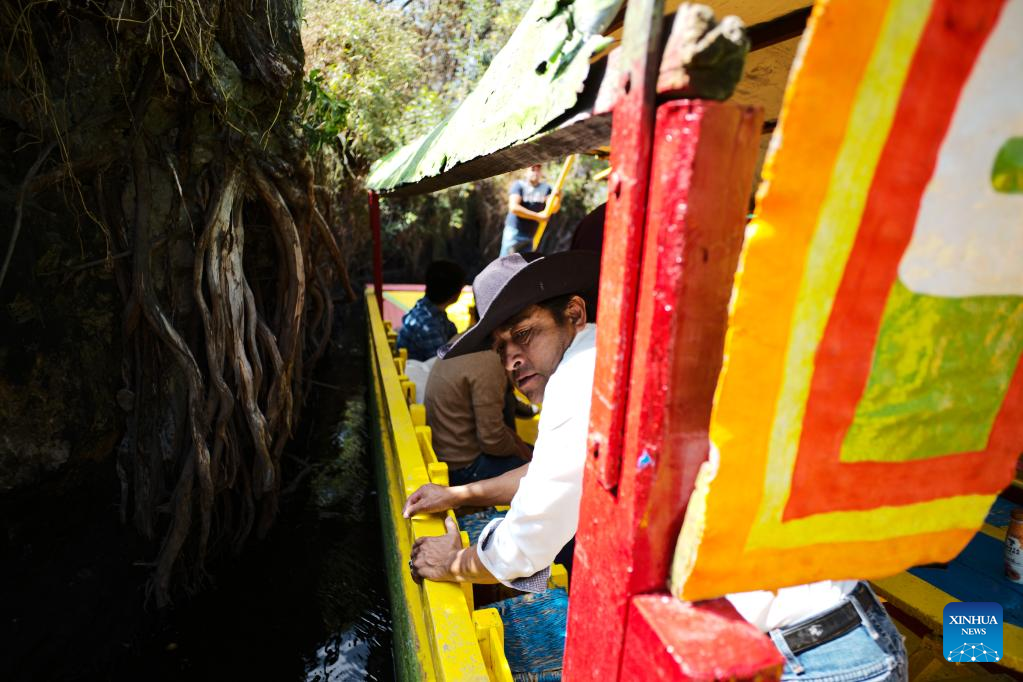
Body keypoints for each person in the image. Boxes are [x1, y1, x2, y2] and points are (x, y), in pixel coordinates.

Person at [404, 251, 599, 590]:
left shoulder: (573, 379)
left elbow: (519, 550)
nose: (510, 362)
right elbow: (542, 474)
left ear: (574, 314)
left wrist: (450, 562)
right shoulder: (594, 350)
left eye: (523, 334)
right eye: (500, 349)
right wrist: (456, 495)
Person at [424, 335, 532, 486]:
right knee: (542, 473)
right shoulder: (490, 362)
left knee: (534, 453)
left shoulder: (465, 339)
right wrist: (522, 453)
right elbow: (492, 441)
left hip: (446, 452)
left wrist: (519, 445)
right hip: (462, 467)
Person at [396, 260, 464, 361]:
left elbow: (454, 338)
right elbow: (443, 363)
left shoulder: (428, 311)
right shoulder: (428, 326)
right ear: (455, 293)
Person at [500, 164, 558, 256]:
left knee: (524, 263)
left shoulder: (546, 188)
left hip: (531, 236)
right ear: (526, 172)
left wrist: (558, 197)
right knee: (506, 262)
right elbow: (514, 208)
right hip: (515, 233)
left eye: (538, 170)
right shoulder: (519, 185)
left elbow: (553, 209)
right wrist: (538, 217)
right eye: (533, 169)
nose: (536, 172)